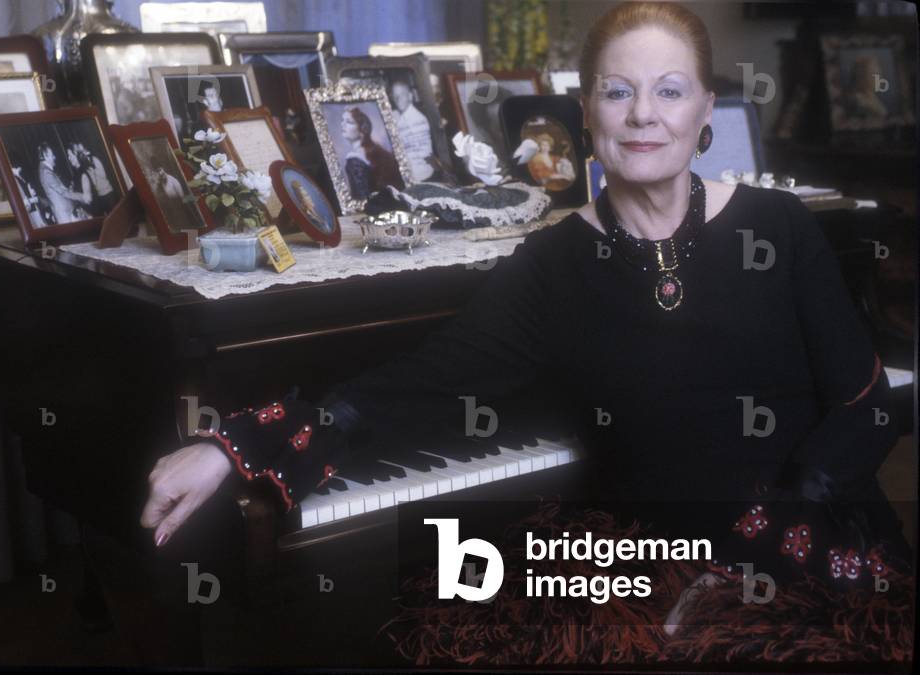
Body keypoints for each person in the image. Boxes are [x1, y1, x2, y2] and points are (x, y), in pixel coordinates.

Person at [141, 0, 909, 639]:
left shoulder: (778, 226)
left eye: (670, 91)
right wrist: (232, 443)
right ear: (584, 110)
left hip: (806, 539)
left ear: (707, 107)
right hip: (648, 562)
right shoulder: (550, 266)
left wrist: (758, 553)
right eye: (617, 92)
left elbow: (867, 403)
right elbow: (418, 385)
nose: (644, 115)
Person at [340, 106, 403, 200]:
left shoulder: (354, 160)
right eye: (343, 120)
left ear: (362, 130)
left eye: (349, 122)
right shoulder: (375, 151)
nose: (343, 125)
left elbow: (362, 199)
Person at [390, 79, 435, 182]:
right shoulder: (396, 115)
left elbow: (415, 156)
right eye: (395, 96)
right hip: (408, 172)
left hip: (420, 174)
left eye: (402, 95)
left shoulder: (418, 119)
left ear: (410, 96)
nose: (398, 99)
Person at [37, 142, 87, 225]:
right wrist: (82, 196)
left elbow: (59, 190)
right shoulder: (46, 172)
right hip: (64, 215)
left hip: (66, 211)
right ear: (45, 155)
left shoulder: (45, 170)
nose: (54, 157)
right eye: (52, 155)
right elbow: (63, 192)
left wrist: (69, 189)